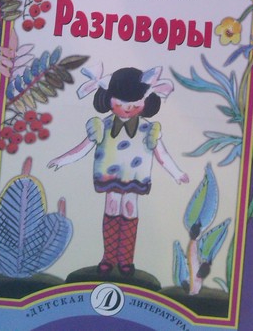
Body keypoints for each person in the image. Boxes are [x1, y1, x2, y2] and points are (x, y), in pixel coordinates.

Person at [49, 66, 189, 276]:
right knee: (112, 207)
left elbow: (161, 154)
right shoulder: (102, 126)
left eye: (135, 103)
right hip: (110, 174)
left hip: (136, 176)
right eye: (121, 102)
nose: (127, 108)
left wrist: (176, 173)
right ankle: (109, 258)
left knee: (130, 209)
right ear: (108, 99)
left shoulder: (149, 129)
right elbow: (84, 147)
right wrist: (62, 160)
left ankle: (126, 260)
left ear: (146, 101)